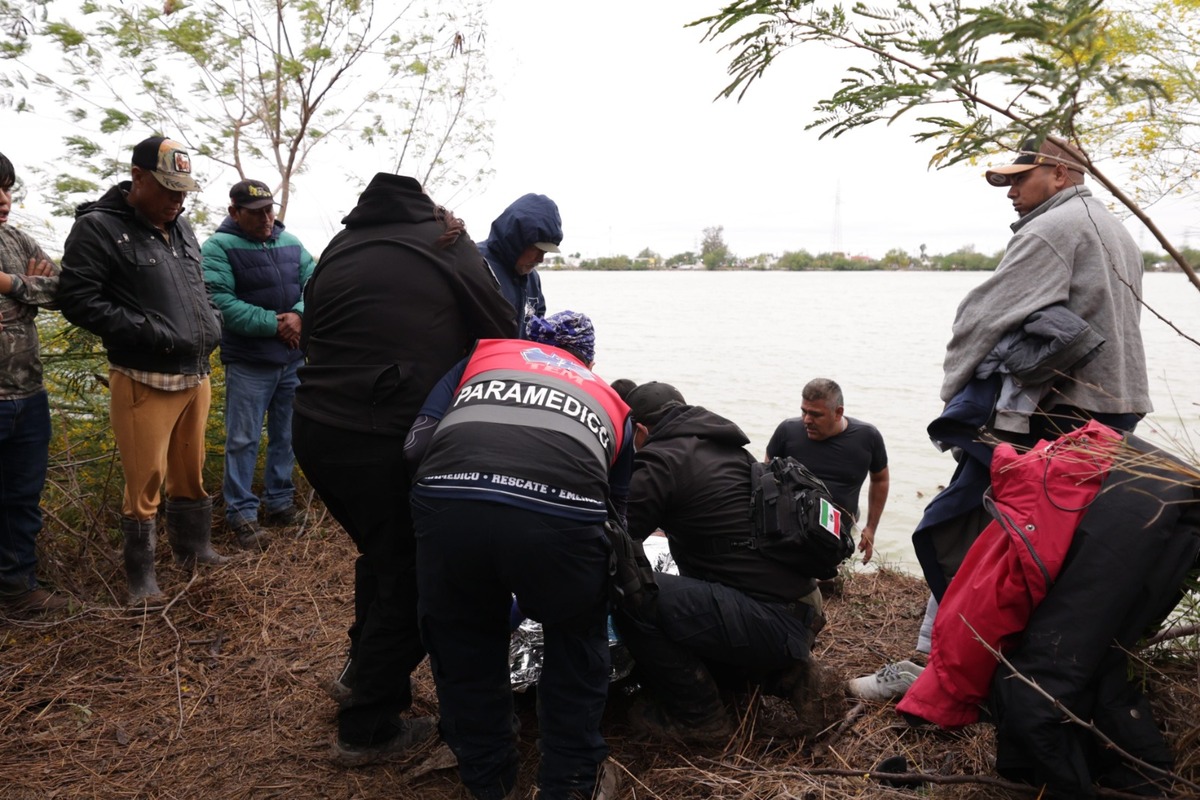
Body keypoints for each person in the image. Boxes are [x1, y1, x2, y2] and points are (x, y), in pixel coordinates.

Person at [291, 172, 515, 765]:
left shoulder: (340, 247)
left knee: (385, 556)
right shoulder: (444, 241)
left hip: (314, 430)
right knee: (417, 575)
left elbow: (314, 331)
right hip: (382, 436)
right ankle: (365, 729)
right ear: (428, 207)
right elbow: (504, 330)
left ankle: (361, 675)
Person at [406, 310, 628, 800]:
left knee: (463, 643)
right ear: (588, 358)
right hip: (563, 522)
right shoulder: (609, 398)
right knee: (576, 641)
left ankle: (488, 780)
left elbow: (415, 447)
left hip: (448, 503)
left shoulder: (481, 360)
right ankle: (570, 781)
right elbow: (615, 515)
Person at [613, 381, 840, 744]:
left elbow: (615, 539)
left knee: (631, 592)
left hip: (769, 619)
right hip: (798, 608)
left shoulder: (662, 458)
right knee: (684, 596)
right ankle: (784, 677)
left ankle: (701, 718)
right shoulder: (725, 446)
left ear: (640, 430)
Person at [58, 136, 226, 603]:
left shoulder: (183, 227)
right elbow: (78, 299)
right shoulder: (99, 228)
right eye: (169, 188)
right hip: (144, 378)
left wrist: (212, 322)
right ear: (137, 177)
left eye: (184, 190)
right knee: (144, 483)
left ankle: (194, 550)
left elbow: (201, 288)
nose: (178, 199)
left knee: (189, 471)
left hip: (196, 372)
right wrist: (149, 330)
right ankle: (141, 580)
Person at [202, 179, 316, 550]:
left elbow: (313, 284)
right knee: (242, 438)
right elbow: (220, 301)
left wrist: (299, 316)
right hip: (250, 362)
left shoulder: (291, 243)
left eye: (269, 210)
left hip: (291, 359)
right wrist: (276, 325)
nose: (266, 218)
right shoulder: (218, 247)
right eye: (255, 213)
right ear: (234, 212)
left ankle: (280, 503)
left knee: (287, 434)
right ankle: (242, 515)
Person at [0, 152, 70, 616]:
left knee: (22, 498)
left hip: (28, 394)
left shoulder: (15, 238)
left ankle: (17, 587)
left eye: (7, 189)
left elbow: (62, 288)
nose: (5, 200)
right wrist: (29, 283)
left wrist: (11, 284)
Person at [765, 378, 889, 564]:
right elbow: (766, 477)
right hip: (791, 530)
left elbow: (880, 480)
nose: (806, 420)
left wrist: (871, 527)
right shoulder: (787, 431)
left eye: (815, 415)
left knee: (827, 580)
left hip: (837, 533)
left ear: (838, 413)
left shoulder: (867, 437)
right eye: (803, 411)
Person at [477, 193, 562, 335]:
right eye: (537, 249)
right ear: (516, 240)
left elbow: (537, 328)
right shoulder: (476, 264)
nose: (540, 259)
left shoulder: (532, 278)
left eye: (545, 252)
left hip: (516, 356)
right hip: (483, 356)